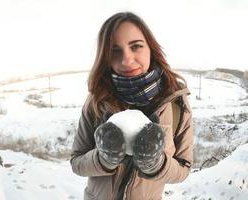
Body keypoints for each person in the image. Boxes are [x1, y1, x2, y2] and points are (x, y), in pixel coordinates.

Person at [70, 12, 193, 200]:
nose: (127, 60)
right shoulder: (97, 101)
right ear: (105, 56)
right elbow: (77, 162)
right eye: (115, 50)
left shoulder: (176, 104)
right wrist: (104, 159)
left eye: (136, 46)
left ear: (151, 48)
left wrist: (156, 164)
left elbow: (183, 168)